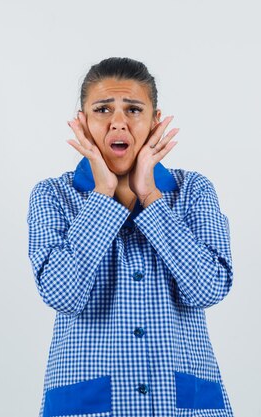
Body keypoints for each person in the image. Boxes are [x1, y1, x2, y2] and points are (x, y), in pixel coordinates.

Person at [27, 57, 235, 417]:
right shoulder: (51, 195)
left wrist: (151, 197)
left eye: (134, 109)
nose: (118, 122)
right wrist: (104, 195)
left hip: (182, 405)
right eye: (102, 109)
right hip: (89, 406)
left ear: (155, 121)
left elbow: (209, 288)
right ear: (83, 122)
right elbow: (62, 295)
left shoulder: (193, 191)